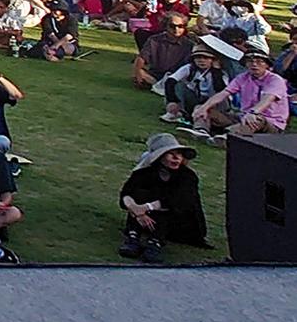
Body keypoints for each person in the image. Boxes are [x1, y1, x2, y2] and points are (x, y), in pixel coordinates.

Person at [118, 133, 208, 263]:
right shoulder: (146, 172)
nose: (176, 157)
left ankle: (155, 242)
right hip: (146, 218)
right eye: (171, 153)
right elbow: (126, 193)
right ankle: (133, 237)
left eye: (179, 154)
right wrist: (136, 210)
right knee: (140, 195)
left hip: (180, 224)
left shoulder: (188, 176)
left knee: (165, 205)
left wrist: (146, 207)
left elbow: (179, 202)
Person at [190, 47, 289, 139]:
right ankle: (201, 131)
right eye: (250, 62)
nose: (254, 65)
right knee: (201, 108)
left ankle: (228, 138)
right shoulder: (243, 77)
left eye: (259, 62)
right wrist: (204, 107)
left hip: (270, 122)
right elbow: (224, 93)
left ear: (267, 65)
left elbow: (267, 99)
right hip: (243, 116)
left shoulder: (275, 80)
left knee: (255, 119)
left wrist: (253, 112)